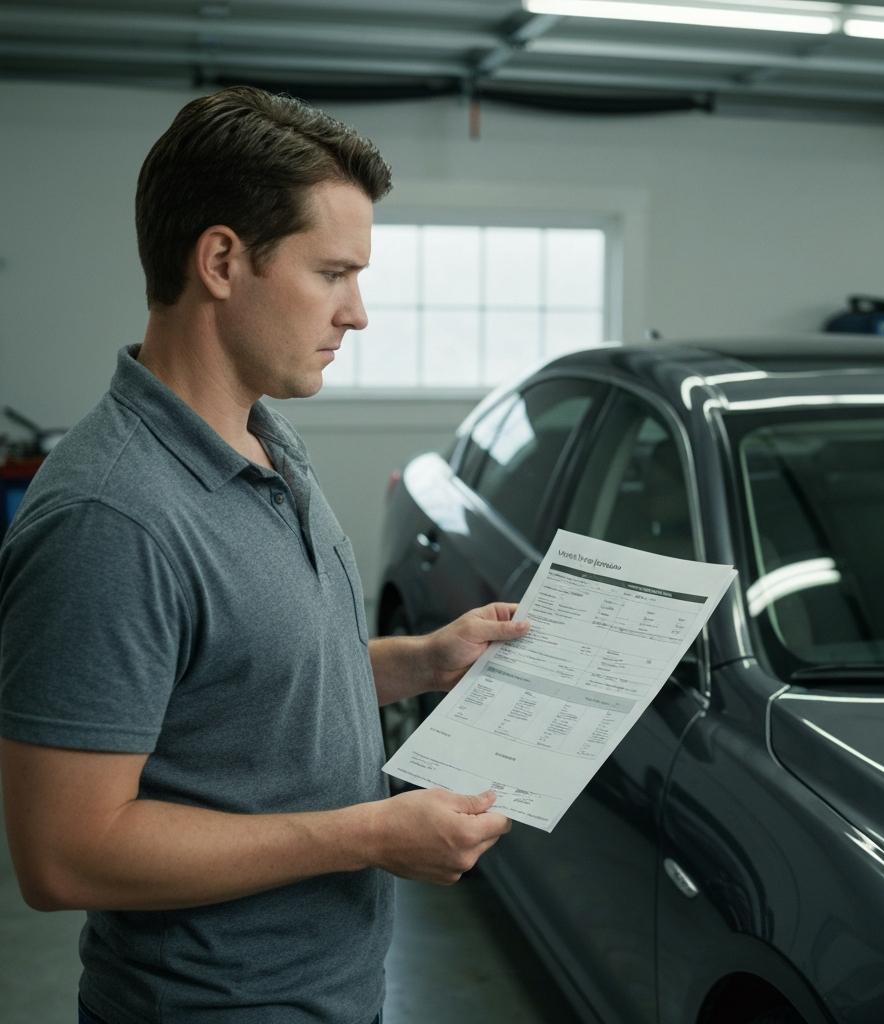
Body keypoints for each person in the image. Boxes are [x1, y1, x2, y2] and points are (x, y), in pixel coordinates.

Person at [0, 86, 528, 1024]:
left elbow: (244, 688)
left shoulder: (265, 441)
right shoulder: (111, 516)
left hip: (331, 990)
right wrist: (367, 834)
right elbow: (64, 855)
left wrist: (420, 660)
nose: (356, 313)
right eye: (333, 272)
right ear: (220, 261)